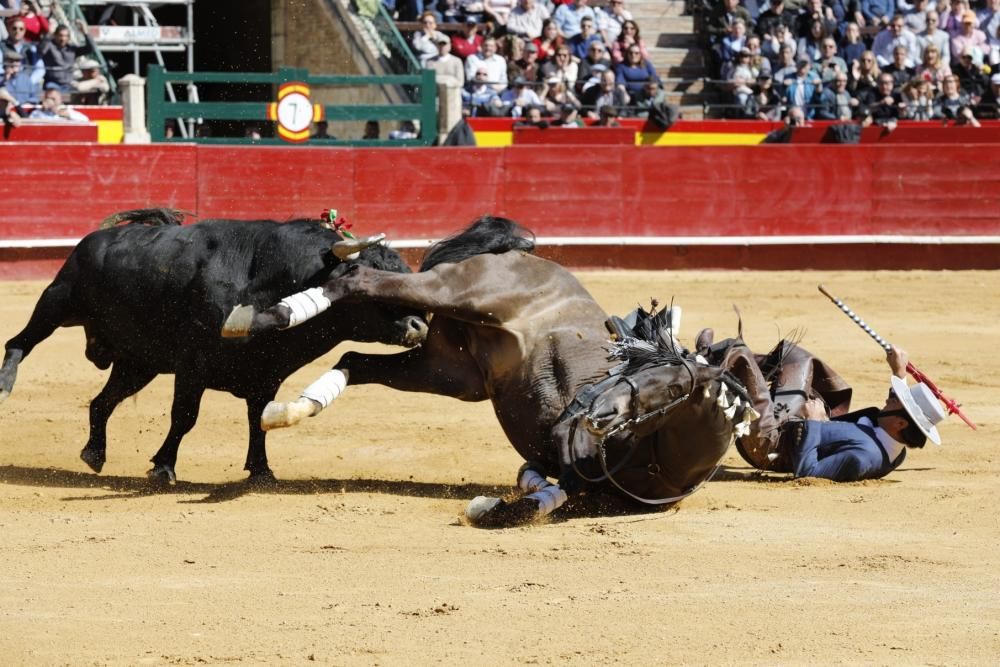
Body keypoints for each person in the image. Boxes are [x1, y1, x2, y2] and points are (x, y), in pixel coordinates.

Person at [782, 346, 948, 482]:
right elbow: (900, 409)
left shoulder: (864, 457)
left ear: (900, 423)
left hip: (779, 438)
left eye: (896, 401)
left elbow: (807, 473)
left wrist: (814, 423)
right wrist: (899, 373)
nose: (888, 400)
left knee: (793, 357)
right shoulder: (895, 447)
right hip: (813, 418)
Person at [38, 20, 95, 94]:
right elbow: (41, 51)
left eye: (65, 36)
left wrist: (85, 32)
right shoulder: (49, 46)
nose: (63, 39)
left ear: (69, 37)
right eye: (60, 35)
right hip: (52, 84)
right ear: (55, 35)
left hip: (69, 84)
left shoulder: (72, 49)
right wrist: (49, 34)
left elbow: (91, 49)